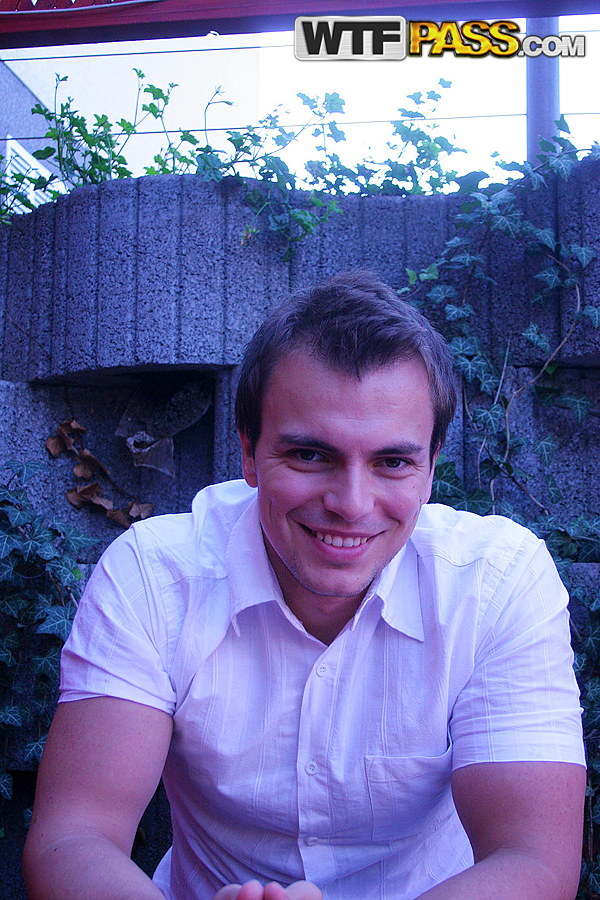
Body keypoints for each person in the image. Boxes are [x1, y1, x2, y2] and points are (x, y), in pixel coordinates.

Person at [23, 271, 585, 900]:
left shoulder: (497, 582)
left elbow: (532, 860)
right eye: (310, 455)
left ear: (430, 471)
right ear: (248, 454)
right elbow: (76, 837)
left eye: (392, 461)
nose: (351, 503)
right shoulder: (154, 577)